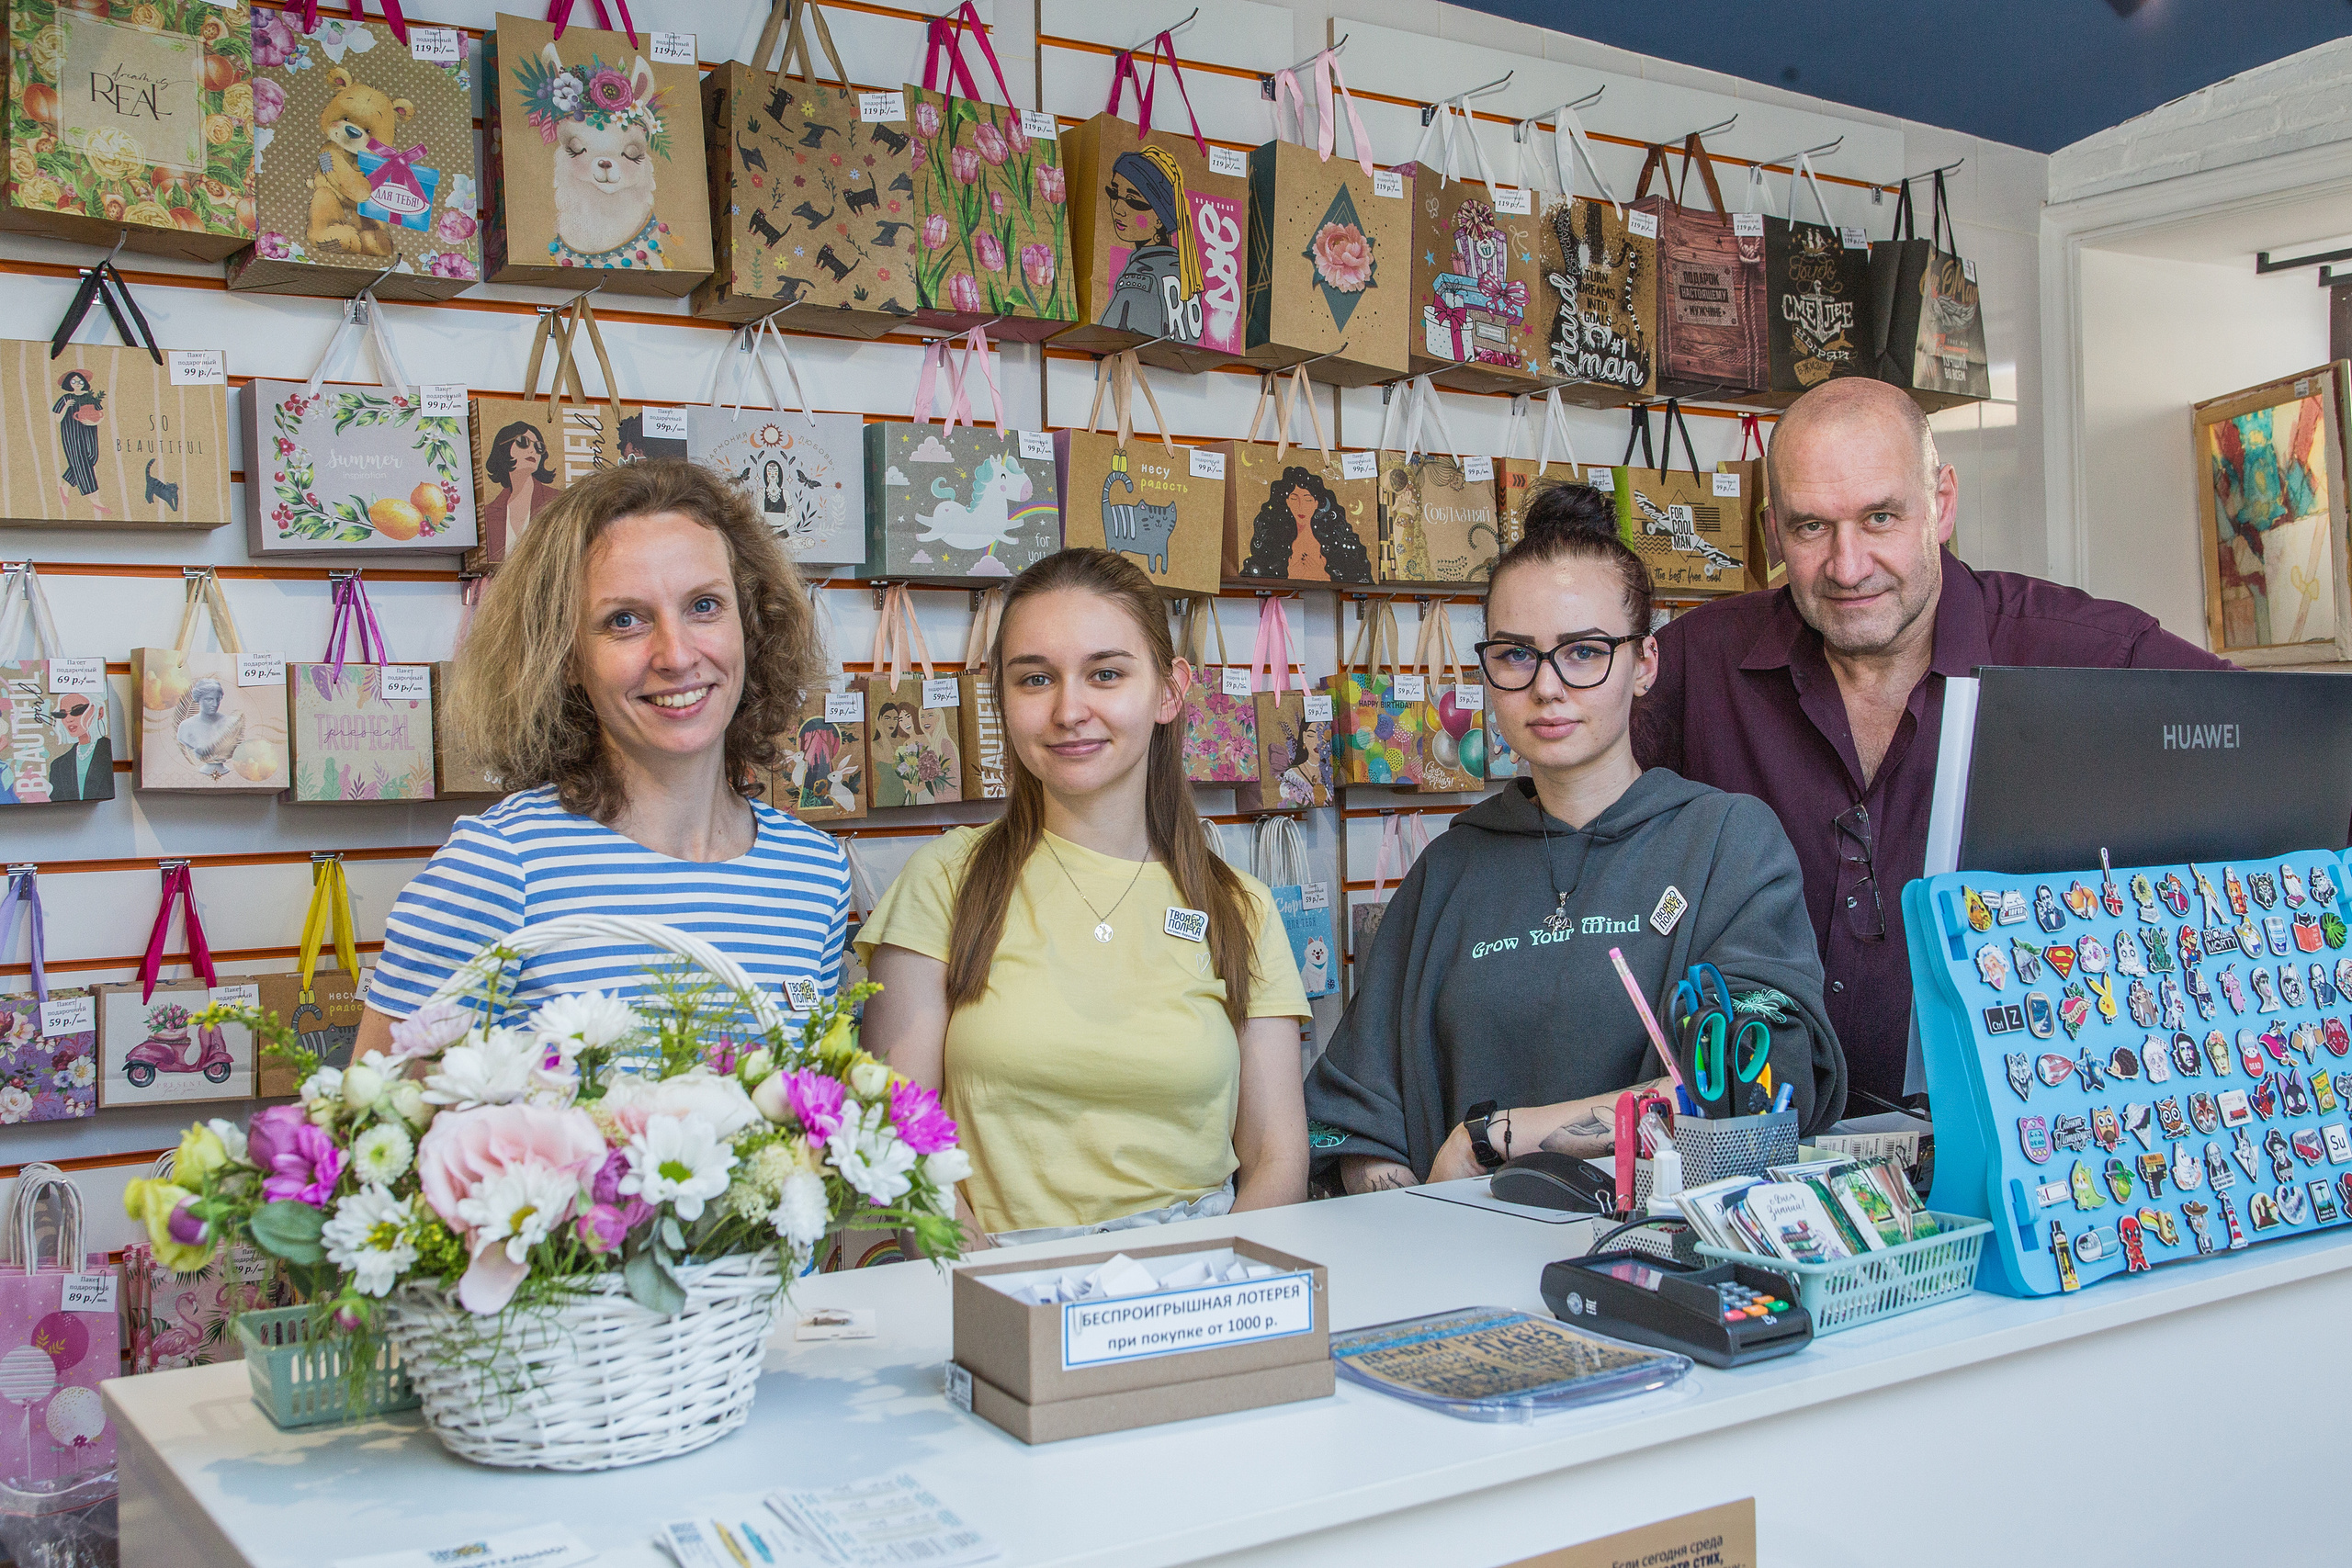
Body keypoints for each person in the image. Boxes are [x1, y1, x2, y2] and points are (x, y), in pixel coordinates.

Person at [1633, 378, 2232, 1111]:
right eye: (1812, 527)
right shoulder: (1695, 662)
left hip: (2014, 1139)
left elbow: (2296, 763)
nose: (1848, 566)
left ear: (1942, 504)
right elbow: (1569, 806)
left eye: (1880, 517)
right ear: (1773, 534)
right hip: (1754, 1145)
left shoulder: (2090, 656)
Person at [1306, 486, 1846, 1190]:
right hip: (1464, 1247)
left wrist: (1494, 1137)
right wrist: (1401, 1203)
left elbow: (1760, 1078)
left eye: (1585, 652)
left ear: (1645, 663)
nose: (1547, 687)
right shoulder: (1448, 869)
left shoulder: (1727, 846)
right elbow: (1356, 1116)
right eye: (1516, 654)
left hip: (1662, 1246)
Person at [857, 548, 1310, 1245]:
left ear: (1170, 691)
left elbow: (1277, 1158)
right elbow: (898, 1138)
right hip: (995, 1277)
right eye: (1035, 679)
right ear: (1001, 698)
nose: (1069, 710)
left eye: (1106, 674)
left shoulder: (1238, 909)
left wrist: (1214, 1281)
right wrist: (988, 1286)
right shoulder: (945, 883)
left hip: (1202, 1272)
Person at [357, 461, 849, 1051]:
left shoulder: (813, 873)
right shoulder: (499, 869)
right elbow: (380, 1102)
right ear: (565, 656)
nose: (676, 655)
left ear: (752, 624)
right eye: (625, 620)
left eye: (704, 606)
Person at [1097, 148, 1204, 344]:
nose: (1118, 208)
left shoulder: (1139, 277)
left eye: (1132, 201)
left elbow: (1102, 335)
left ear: (1159, 218)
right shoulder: (1184, 272)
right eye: (1114, 193)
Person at [1240, 468, 1374, 583]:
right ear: (1287, 501)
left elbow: (1362, 575)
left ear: (1317, 503)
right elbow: (1251, 571)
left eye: (1308, 499)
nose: (1301, 506)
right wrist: (1289, 576)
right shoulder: (1273, 541)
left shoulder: (1336, 540)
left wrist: (1323, 576)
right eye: (1294, 498)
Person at [482, 421, 563, 548]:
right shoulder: (488, 513)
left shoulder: (558, 501)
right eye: (523, 442)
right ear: (504, 448)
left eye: (538, 447)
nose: (533, 451)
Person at [51, 370, 106, 517]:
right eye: (74, 381)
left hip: (89, 430)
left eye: (80, 381)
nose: (77, 384)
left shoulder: (89, 397)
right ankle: (94, 498)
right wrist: (66, 406)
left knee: (92, 457)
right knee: (80, 461)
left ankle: (65, 487)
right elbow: (57, 418)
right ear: (69, 383)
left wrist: (93, 422)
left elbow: (101, 414)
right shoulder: (66, 398)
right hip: (72, 432)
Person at [45, 690, 108, 802]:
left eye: (78, 710)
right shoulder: (58, 765)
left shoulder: (109, 752)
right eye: (63, 714)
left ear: (100, 712)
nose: (69, 719)